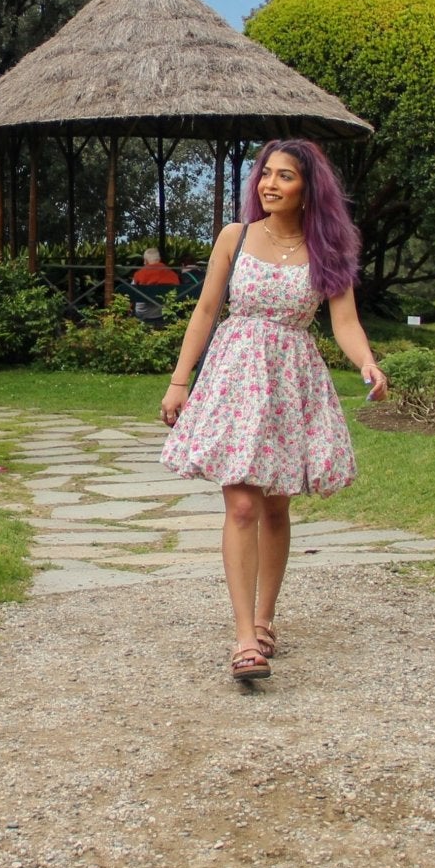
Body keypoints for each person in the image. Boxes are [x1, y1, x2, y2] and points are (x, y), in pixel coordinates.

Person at [158, 140, 388, 682]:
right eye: (265, 174)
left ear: (308, 187)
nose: (269, 184)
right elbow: (207, 309)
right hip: (236, 378)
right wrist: (178, 380)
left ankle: (265, 620)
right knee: (241, 505)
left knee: (276, 508)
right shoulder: (235, 239)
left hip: (290, 384)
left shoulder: (327, 249)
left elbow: (345, 323)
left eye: (284, 176)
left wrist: (368, 364)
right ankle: (244, 640)